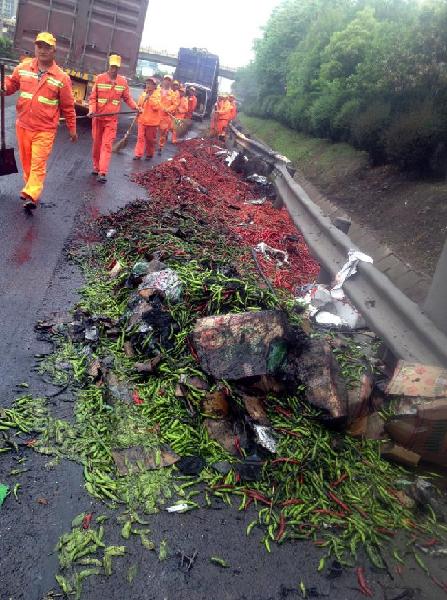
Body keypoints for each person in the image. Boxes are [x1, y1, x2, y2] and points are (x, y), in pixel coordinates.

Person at [1, 31, 77, 211]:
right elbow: (11, 86)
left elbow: (68, 106)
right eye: (39, 46)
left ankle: (32, 193)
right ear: (35, 47)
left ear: (54, 50)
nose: (42, 50)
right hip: (23, 125)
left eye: (47, 47)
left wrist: (72, 128)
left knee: (38, 162)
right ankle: (29, 191)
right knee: (27, 162)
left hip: (45, 129)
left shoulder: (62, 78)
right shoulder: (23, 68)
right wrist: (3, 87)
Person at [88, 54, 139, 183]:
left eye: (116, 67)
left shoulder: (122, 82)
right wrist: (92, 111)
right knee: (97, 144)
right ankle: (96, 166)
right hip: (98, 118)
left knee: (106, 145)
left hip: (112, 120)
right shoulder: (99, 79)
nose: (113, 69)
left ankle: (103, 172)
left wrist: (136, 107)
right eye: (112, 66)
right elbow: (93, 98)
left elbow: (127, 98)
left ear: (119, 68)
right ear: (108, 65)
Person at [133, 77, 161, 160]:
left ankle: (149, 153)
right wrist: (137, 111)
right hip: (142, 120)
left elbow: (156, 107)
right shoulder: (144, 93)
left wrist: (150, 98)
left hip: (152, 122)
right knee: (140, 137)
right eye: (147, 83)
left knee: (150, 139)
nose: (148, 85)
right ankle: (138, 154)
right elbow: (139, 104)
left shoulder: (158, 95)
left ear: (154, 86)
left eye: (150, 84)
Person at [158, 74, 177, 154]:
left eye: (169, 80)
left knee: (163, 133)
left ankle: (160, 147)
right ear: (163, 80)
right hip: (155, 115)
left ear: (171, 82)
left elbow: (175, 104)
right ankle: (150, 146)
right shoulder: (157, 90)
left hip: (165, 117)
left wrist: (168, 109)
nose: (167, 81)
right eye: (166, 79)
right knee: (152, 132)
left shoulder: (173, 94)